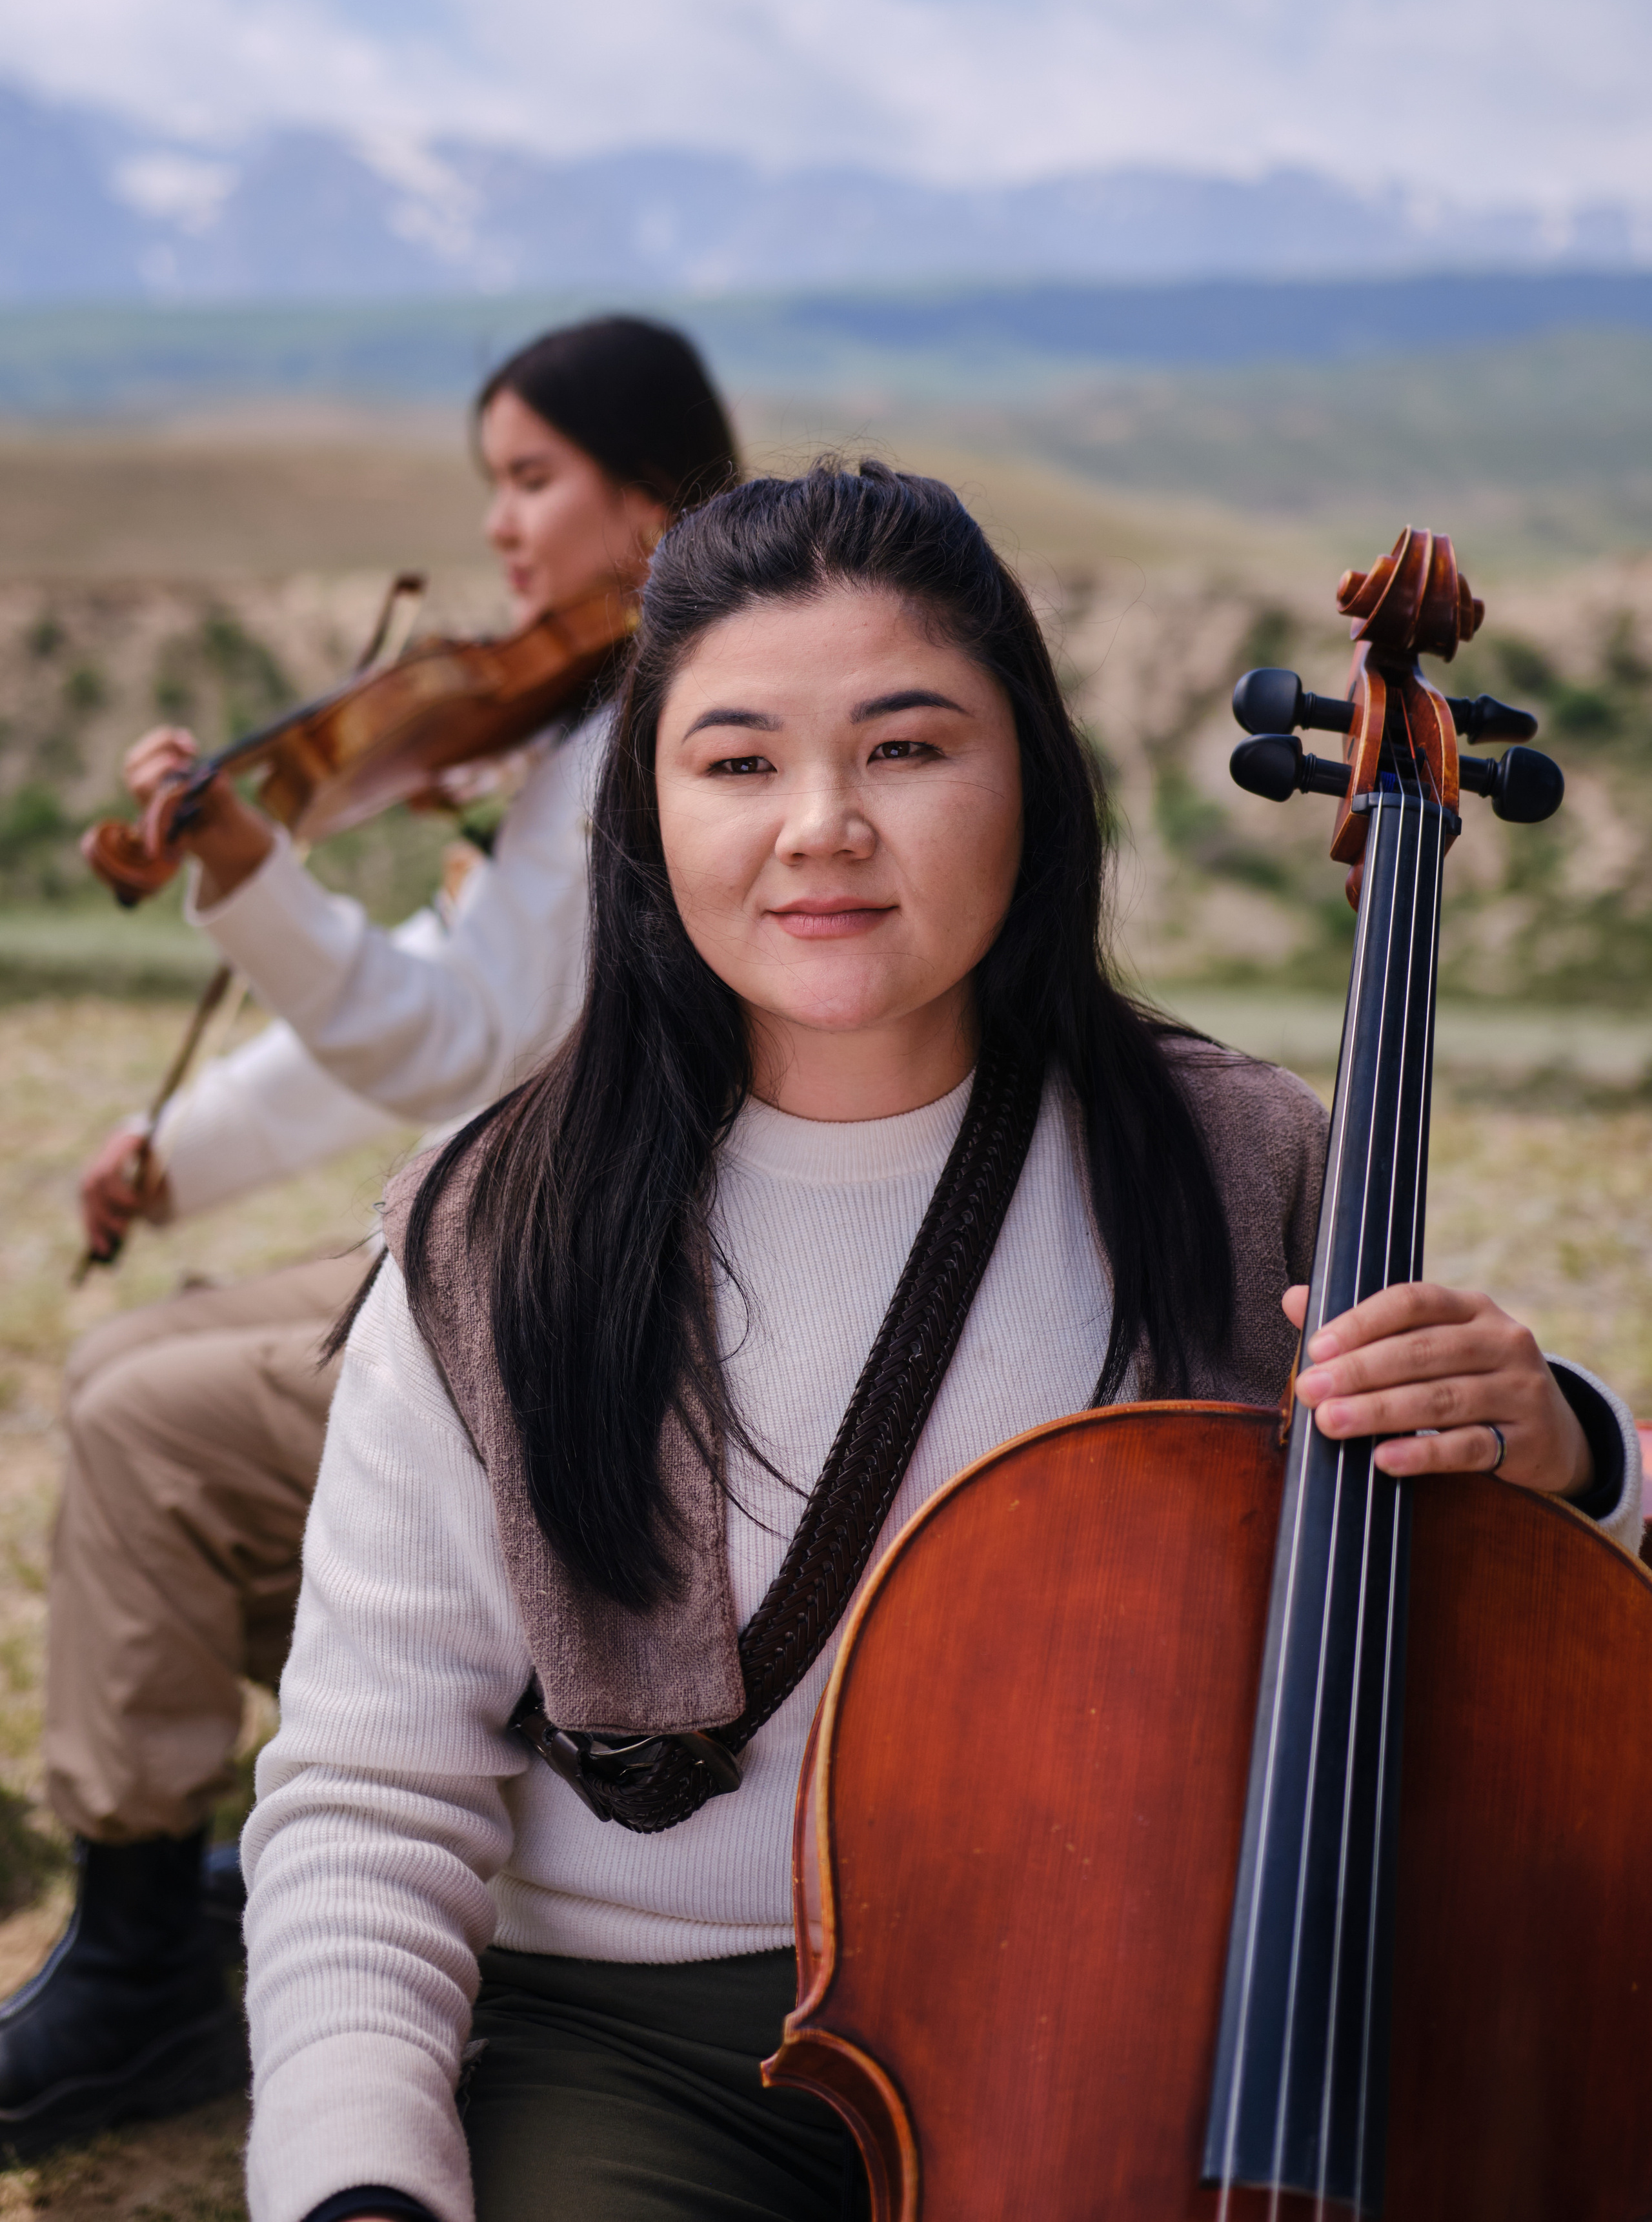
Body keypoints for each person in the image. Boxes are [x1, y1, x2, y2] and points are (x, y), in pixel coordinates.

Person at [237, 461, 1642, 2222]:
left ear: (1030, 784)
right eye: (738, 761)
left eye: (906, 749)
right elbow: (373, 1793)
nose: (821, 823)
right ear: (646, 812)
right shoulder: (492, 1222)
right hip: (641, 2050)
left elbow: (1512, 1639)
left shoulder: (1242, 1155)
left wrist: (1567, 1447)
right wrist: (360, 2187)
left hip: (1132, 2009)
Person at [0, 318, 739, 2159]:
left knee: (142, 1429)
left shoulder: (656, 735)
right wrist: (173, 1152)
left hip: (602, 1298)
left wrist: (250, 876)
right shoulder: (569, 726)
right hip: (523, 1233)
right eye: (490, 481)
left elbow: (452, 1042)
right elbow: (423, 1009)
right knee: (115, 1364)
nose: (497, 529)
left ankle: (157, 1958)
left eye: (531, 478)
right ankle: (223, 1862)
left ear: (652, 502)